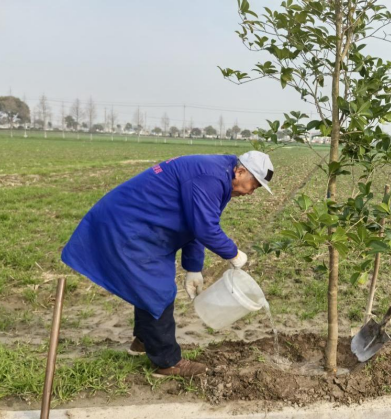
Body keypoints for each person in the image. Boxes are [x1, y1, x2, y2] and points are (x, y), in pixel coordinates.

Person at [62, 151, 274, 377]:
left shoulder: (219, 175)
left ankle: (144, 341)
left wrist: (193, 267)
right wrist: (233, 253)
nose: (251, 192)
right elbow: (205, 228)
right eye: (254, 185)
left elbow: (195, 223)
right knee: (157, 289)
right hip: (129, 225)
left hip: (146, 227)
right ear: (240, 171)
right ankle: (167, 362)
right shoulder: (210, 177)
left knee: (150, 287)